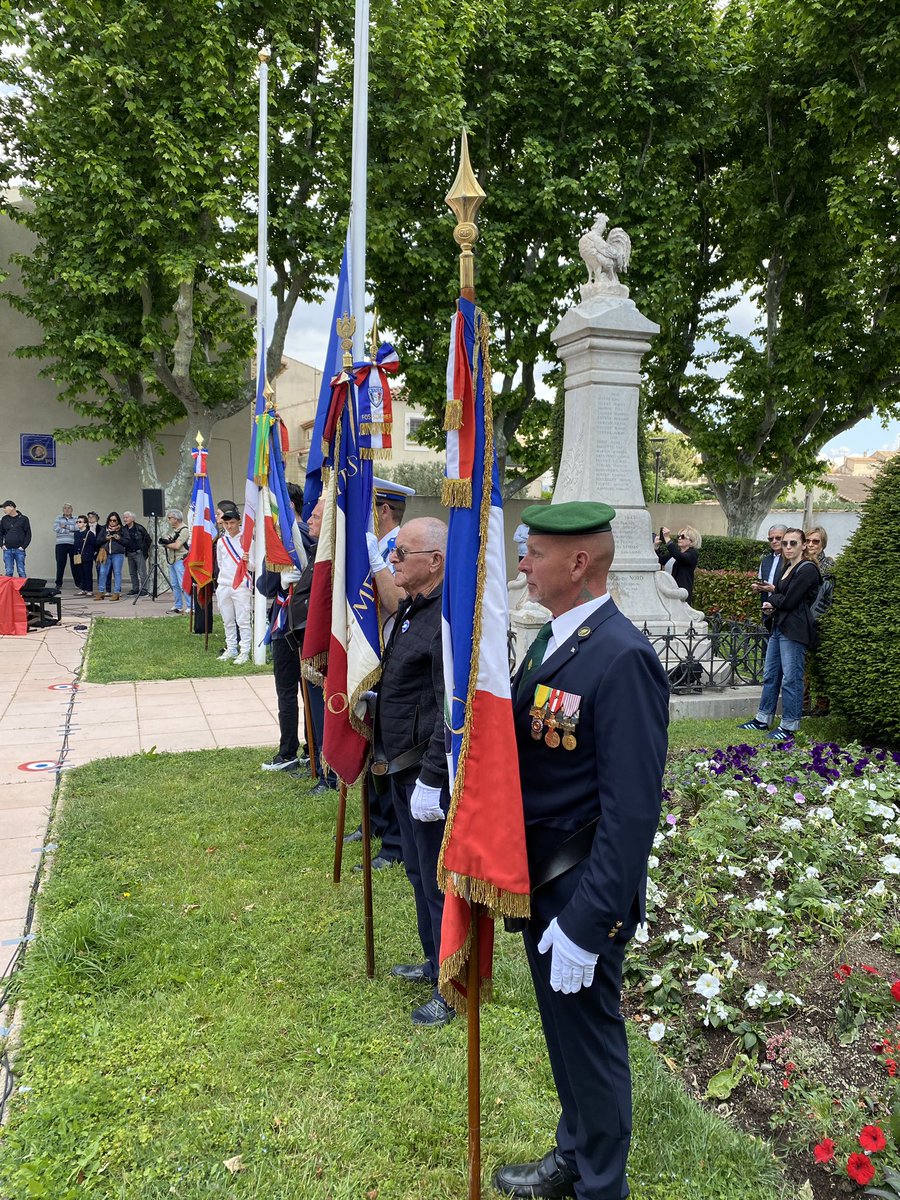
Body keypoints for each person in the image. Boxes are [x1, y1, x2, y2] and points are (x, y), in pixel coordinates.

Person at [495, 500, 669, 1200]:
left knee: (592, 1047)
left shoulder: (621, 656)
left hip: (580, 891)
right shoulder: (555, 638)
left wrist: (587, 922)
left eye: (533, 553)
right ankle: (574, 1155)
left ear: (577, 563)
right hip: (543, 883)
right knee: (565, 1041)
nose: (523, 564)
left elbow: (631, 815)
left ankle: (601, 1186)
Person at [372, 517, 455, 1028]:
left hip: (425, 773)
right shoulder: (411, 612)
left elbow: (452, 706)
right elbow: (408, 685)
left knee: (437, 883)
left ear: (436, 562)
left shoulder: (445, 619)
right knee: (417, 873)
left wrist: (433, 777)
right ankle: (432, 961)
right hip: (399, 767)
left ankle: (451, 986)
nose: (394, 560)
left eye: (403, 552)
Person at [739, 527, 821, 740]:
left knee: (791, 678)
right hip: (779, 626)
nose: (787, 547)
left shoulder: (807, 569)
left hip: (794, 630)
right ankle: (762, 719)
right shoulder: (788, 567)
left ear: (803, 545)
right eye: (785, 543)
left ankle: (789, 726)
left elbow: (789, 601)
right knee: (771, 675)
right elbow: (783, 597)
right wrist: (775, 596)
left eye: (793, 543)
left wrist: (773, 597)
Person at [260, 483, 308, 774]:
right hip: (282, 624)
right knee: (287, 690)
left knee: (309, 692)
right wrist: (280, 581)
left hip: (304, 624)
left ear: (289, 506)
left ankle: (310, 749)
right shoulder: (276, 541)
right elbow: (263, 585)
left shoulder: (308, 537)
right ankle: (288, 749)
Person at [215, 507, 252, 665]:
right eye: (226, 523)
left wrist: (248, 560)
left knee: (243, 620)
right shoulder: (221, 541)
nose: (229, 526)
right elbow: (220, 563)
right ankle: (231, 648)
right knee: (227, 620)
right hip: (224, 584)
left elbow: (255, 566)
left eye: (232, 522)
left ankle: (245, 650)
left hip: (241, 584)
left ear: (239, 522)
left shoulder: (247, 539)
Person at [653, 524, 701, 602]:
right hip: (668, 592)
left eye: (682, 537)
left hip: (681, 594)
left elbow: (680, 557)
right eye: (678, 536)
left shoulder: (692, 554)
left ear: (691, 541)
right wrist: (656, 546)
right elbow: (660, 561)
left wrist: (667, 539)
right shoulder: (675, 553)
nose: (679, 538)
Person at [751, 525, 786, 625]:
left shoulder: (790, 561)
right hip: (766, 610)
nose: (774, 541)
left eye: (778, 538)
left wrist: (774, 589)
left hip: (783, 609)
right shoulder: (766, 560)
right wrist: (757, 588)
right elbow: (761, 581)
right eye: (771, 539)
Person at [159, 509, 190, 613]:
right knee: (174, 584)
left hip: (180, 560)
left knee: (183, 584)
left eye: (169, 518)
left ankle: (191, 606)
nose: (168, 520)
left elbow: (177, 545)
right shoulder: (174, 530)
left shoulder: (184, 530)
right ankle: (178, 605)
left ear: (176, 519)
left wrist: (166, 544)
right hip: (172, 560)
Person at [94, 512, 129, 600]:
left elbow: (127, 542)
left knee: (117, 573)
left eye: (114, 520)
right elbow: (98, 540)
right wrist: (106, 538)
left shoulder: (122, 529)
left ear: (118, 521)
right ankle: (101, 591)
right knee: (102, 572)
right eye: (110, 520)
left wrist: (119, 538)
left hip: (117, 554)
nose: (112, 522)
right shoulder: (104, 529)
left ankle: (116, 592)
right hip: (106, 554)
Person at [122, 511, 150, 596]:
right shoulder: (124, 529)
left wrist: (144, 550)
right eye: (124, 517)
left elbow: (148, 539)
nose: (125, 519)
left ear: (132, 518)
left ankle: (144, 589)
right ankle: (135, 588)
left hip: (139, 552)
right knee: (132, 572)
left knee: (142, 572)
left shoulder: (139, 528)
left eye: (127, 517)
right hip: (129, 553)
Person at [1, 501, 31, 578]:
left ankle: (23, 589)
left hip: (19, 550)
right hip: (7, 550)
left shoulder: (24, 519)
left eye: (5, 508)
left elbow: (28, 534)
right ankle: (8, 589)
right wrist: (2, 545)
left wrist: (23, 547)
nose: (4, 510)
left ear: (11, 507)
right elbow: (0, 533)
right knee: (9, 571)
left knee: (21, 571)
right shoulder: (4, 519)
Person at [53, 503, 78, 587]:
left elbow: (78, 528)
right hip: (60, 544)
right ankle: (58, 584)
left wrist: (65, 526)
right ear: (63, 510)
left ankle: (78, 583)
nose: (67, 510)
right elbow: (56, 528)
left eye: (69, 508)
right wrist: (70, 529)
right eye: (65, 508)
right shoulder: (58, 518)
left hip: (73, 544)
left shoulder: (76, 518)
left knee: (75, 564)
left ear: (72, 510)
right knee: (60, 565)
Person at [72, 515, 92, 595]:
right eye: (77, 522)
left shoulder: (89, 533)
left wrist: (90, 553)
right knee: (80, 573)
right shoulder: (76, 533)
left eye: (80, 522)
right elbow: (75, 544)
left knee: (87, 573)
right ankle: (83, 589)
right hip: (78, 556)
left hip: (87, 556)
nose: (78, 523)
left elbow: (93, 544)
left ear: (85, 524)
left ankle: (89, 590)